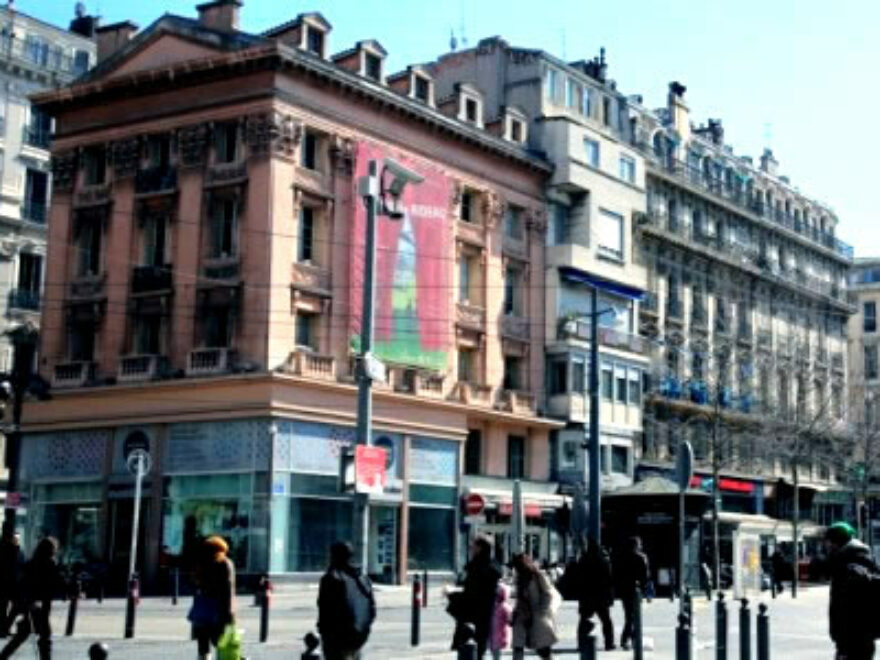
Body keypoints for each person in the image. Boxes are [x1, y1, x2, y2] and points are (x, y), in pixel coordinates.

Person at [0, 537, 64, 660]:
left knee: (24, 633)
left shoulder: (32, 563)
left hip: (31, 603)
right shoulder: (50, 564)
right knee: (44, 635)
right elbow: (57, 583)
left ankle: (3, 656)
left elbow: (22, 583)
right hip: (40, 605)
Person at [826, 522, 877, 660]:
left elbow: (846, 608)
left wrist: (843, 644)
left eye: (830, 542)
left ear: (838, 542)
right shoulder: (861, 559)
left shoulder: (848, 564)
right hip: (861, 637)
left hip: (853, 639)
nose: (828, 546)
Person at [317, 542, 376, 660]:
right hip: (358, 637)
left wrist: (323, 630)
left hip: (336, 638)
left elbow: (324, 609)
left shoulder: (331, 579)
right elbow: (372, 610)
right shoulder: (363, 579)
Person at [187, 536, 236, 660]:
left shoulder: (200, 564)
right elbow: (228, 590)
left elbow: (196, 586)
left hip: (201, 608)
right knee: (224, 646)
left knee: (203, 647)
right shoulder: (225, 563)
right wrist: (230, 614)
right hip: (218, 608)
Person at [459, 536, 502, 658]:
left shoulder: (477, 566)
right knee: (480, 642)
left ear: (480, 548)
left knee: (472, 642)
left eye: (474, 546)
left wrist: (456, 593)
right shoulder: (492, 565)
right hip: (485, 610)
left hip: (474, 610)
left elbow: (470, 588)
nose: (471, 548)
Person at [511, 553, 558, 660]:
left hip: (537, 614)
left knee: (542, 648)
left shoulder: (537, 575)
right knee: (517, 646)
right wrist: (515, 612)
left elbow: (548, 593)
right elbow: (519, 597)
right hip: (522, 615)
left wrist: (542, 611)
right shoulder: (519, 577)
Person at [576, 540, 615, 651]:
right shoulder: (603, 561)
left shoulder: (583, 561)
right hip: (601, 596)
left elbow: (579, 579)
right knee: (606, 621)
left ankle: (581, 643)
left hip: (587, 596)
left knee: (583, 620)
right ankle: (609, 643)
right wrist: (610, 597)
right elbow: (609, 581)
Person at [617, 536, 649, 651]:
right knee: (635, 617)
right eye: (639, 544)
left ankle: (630, 639)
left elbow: (618, 574)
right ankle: (629, 639)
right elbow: (645, 576)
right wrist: (645, 590)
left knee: (629, 616)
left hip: (625, 590)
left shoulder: (622, 557)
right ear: (636, 545)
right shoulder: (641, 558)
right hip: (636, 590)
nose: (641, 546)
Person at [0, 533, 23, 637]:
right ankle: (4, 629)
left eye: (18, 539)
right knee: (6, 607)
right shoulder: (10, 550)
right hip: (8, 583)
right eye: (15, 539)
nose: (17, 541)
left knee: (10, 607)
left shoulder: (17, 551)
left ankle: (5, 628)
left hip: (12, 583)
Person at [489, 582, 512, 660]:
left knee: (498, 654)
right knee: (495, 654)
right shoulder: (494, 606)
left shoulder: (505, 607)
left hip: (502, 635)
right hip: (494, 635)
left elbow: (509, 620)